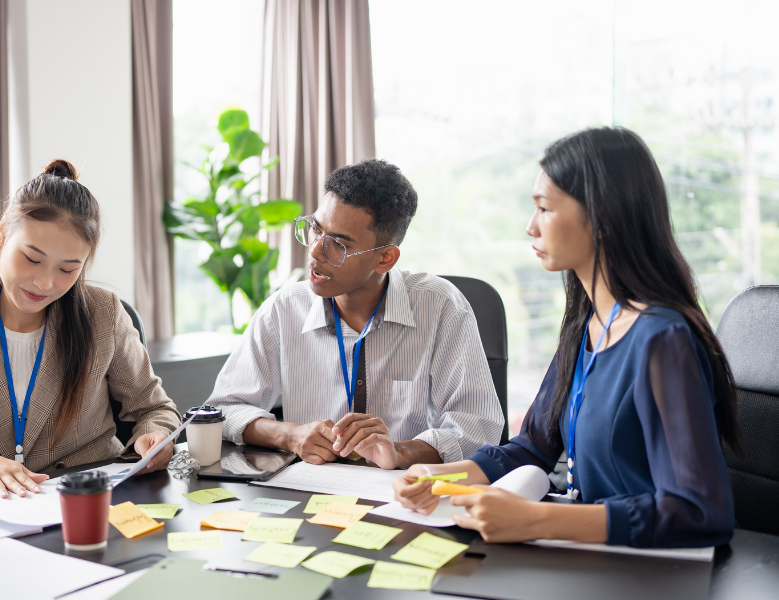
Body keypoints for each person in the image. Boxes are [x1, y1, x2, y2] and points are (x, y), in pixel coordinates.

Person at [392, 127, 739, 548]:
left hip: (652, 571)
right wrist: (438, 478)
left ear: (604, 218)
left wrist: (538, 519)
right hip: (593, 559)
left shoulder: (662, 341)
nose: (530, 227)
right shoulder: (586, 325)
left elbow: (700, 511)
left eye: (544, 208)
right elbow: (532, 447)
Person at [0, 160, 181, 497]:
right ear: (4, 232)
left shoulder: (103, 313)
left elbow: (154, 409)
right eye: (32, 259)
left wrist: (155, 436)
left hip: (93, 497)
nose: (45, 283)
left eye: (68, 269)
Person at [207, 159, 504, 470]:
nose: (315, 251)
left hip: (407, 495)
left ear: (385, 258)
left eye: (338, 244)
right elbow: (223, 409)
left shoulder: (441, 307)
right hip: (308, 493)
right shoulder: (284, 308)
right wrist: (290, 435)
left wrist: (399, 451)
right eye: (315, 229)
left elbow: (477, 430)